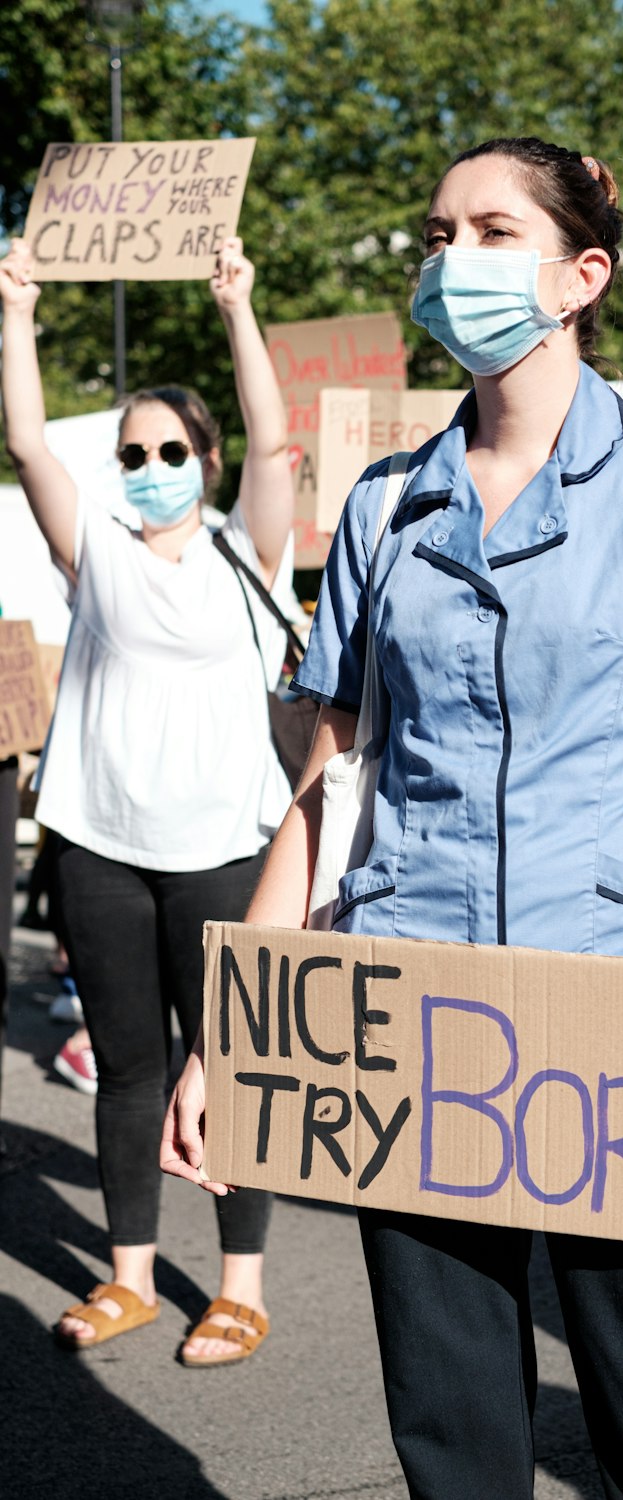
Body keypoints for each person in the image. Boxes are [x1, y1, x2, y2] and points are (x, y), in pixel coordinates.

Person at [163, 139, 623, 1495]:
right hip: (417, 1024)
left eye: (490, 231)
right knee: (456, 1444)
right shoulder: (379, 509)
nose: (449, 261)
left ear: (582, 273)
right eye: (436, 233)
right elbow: (331, 782)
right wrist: (228, 1035)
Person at [0, 234, 294, 1365]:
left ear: (206, 461)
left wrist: (237, 307)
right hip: (101, 850)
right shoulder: (100, 554)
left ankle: (239, 1287)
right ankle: (128, 1279)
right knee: (128, 1068)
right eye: (134, 452)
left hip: (223, 847)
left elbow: (276, 437)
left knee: (231, 1069)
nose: (153, 463)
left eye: (173, 447)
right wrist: (17, 311)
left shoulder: (243, 554)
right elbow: (26, 441)